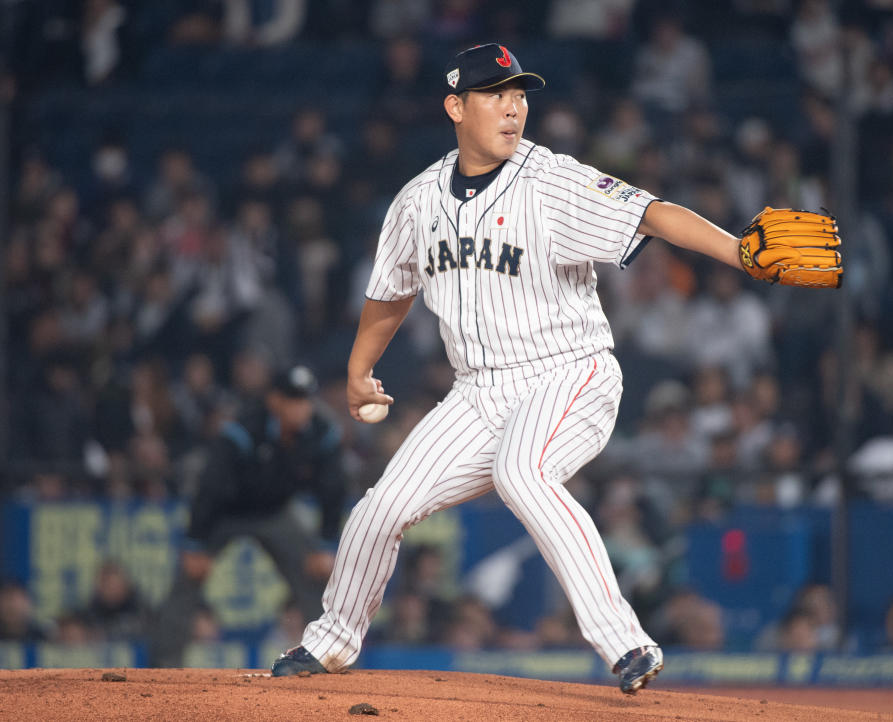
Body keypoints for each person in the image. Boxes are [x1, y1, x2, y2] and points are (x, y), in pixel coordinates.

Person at [271, 43, 838, 694]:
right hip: (477, 393)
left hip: (568, 373)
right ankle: (332, 642)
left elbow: (652, 213)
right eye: (496, 95)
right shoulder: (418, 200)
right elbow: (390, 291)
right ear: (456, 106)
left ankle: (624, 642)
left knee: (521, 472)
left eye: (520, 95)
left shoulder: (552, 181)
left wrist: (737, 250)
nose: (514, 108)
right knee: (380, 508)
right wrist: (357, 370)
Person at [151, 364, 346, 666]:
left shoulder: (320, 432)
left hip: (276, 512)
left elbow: (333, 488)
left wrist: (325, 544)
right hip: (226, 514)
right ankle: (163, 665)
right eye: (294, 399)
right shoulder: (244, 429)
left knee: (316, 576)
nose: (302, 407)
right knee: (188, 577)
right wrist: (196, 543)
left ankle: (329, 658)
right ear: (275, 401)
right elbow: (211, 488)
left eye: (306, 399)